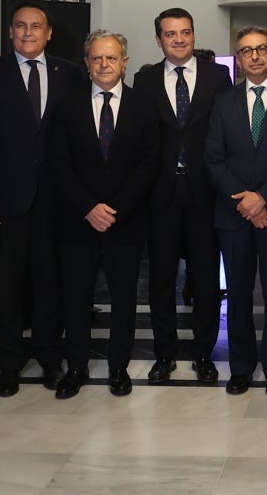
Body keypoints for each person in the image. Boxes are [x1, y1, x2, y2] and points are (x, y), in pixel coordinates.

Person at [0, 3, 85, 397]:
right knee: (6, 285)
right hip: (3, 202)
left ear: (49, 33)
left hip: (56, 202)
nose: (28, 32)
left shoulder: (70, 74)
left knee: (51, 283)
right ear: (10, 32)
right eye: (20, 26)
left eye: (36, 26)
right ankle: (10, 364)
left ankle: (51, 358)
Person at [51, 31, 160, 399]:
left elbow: (148, 165)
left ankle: (118, 368)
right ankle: (76, 367)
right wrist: (88, 208)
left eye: (111, 58)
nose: (104, 65)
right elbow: (59, 165)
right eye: (96, 58)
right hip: (77, 220)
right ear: (87, 63)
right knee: (77, 298)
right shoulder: (66, 106)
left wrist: (115, 209)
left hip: (125, 221)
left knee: (125, 298)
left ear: (124, 62)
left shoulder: (145, 106)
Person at [206, 26, 267, 397]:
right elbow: (213, 158)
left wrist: (263, 198)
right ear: (238, 57)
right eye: (246, 50)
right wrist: (245, 201)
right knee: (239, 293)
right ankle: (242, 367)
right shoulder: (223, 100)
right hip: (234, 215)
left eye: (262, 49)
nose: (255, 56)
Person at [135, 8, 231, 386]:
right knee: (160, 280)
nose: (179, 39)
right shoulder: (144, 79)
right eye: (170, 34)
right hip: (160, 195)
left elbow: (225, 133)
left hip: (205, 192)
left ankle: (204, 354)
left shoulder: (218, 76)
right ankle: (164, 354)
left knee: (206, 279)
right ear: (158, 39)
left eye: (185, 32)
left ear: (193, 35)